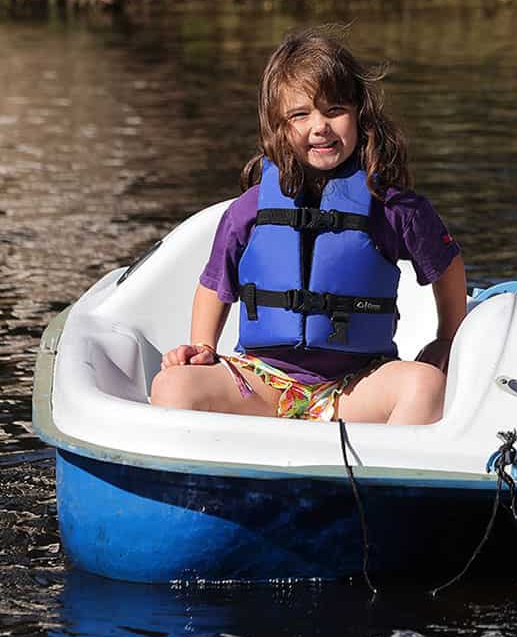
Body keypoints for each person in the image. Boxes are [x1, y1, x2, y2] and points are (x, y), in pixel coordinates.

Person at [151, 29, 467, 425]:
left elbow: (447, 265)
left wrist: (447, 340)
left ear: (359, 114)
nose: (320, 126)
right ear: (278, 127)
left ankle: (380, 481)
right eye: (301, 114)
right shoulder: (248, 210)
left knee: (425, 385)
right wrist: (202, 347)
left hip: (356, 385)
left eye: (334, 110)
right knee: (172, 386)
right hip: (263, 382)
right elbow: (215, 284)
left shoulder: (394, 208)